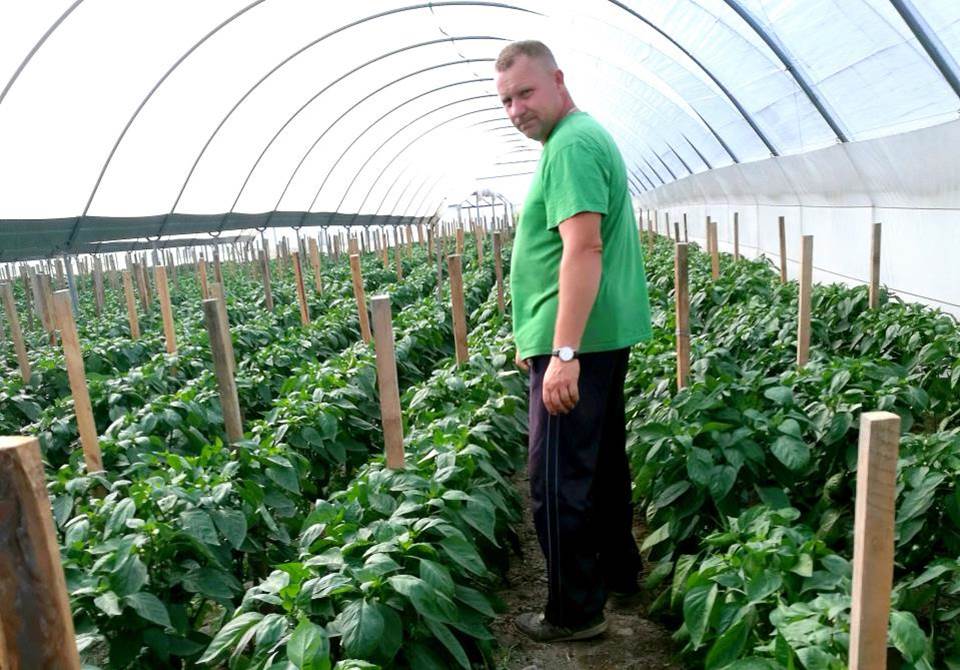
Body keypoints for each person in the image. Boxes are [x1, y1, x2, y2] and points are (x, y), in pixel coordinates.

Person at [494, 40, 653, 642]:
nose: (517, 109)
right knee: (602, 464)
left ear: (558, 81)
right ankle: (617, 571)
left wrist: (562, 353)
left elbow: (583, 248)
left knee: (556, 480)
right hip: (588, 336)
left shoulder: (571, 146)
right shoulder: (576, 139)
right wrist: (537, 338)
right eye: (507, 100)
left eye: (526, 93)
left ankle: (573, 612)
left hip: (579, 342)